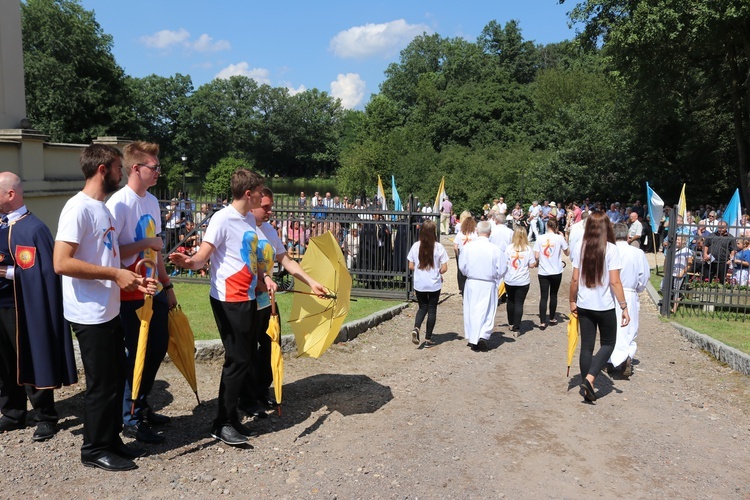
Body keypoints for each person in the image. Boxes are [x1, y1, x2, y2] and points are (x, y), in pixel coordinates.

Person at [54, 144, 158, 471]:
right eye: (116, 167)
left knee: (113, 379)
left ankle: (111, 440)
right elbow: (61, 262)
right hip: (89, 314)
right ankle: (94, 449)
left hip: (108, 310)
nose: (121, 171)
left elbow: (109, 257)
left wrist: (134, 280)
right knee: (100, 385)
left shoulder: (103, 209)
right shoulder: (78, 209)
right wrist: (114, 274)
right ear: (103, 170)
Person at [169, 168, 269, 446]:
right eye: (260, 192)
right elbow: (202, 258)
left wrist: (263, 279)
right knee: (237, 360)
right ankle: (222, 423)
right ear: (248, 194)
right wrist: (188, 262)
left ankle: (232, 416)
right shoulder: (222, 219)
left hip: (248, 296)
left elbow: (249, 256)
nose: (263, 198)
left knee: (246, 357)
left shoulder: (249, 218)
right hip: (228, 299)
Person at [106, 141, 178, 444]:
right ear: (135, 168)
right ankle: (130, 419)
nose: (158, 171)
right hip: (129, 295)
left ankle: (142, 404)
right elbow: (111, 251)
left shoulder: (150, 201)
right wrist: (146, 244)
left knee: (156, 350)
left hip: (153, 290)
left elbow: (156, 249)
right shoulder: (118, 204)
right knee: (137, 355)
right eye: (154, 167)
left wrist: (167, 284)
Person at [0, 172, 77, 442]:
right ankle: (12, 412)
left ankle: (45, 415)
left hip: (25, 308)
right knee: (5, 362)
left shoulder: (34, 229)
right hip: (1, 306)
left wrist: (7, 272)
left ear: (10, 194)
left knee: (32, 356)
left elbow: (43, 273)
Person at [243, 188, 326, 415]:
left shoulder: (268, 230)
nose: (271, 211)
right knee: (247, 350)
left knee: (272, 345)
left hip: (267, 301)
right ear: (253, 203)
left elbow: (287, 261)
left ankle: (261, 390)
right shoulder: (243, 227)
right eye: (266, 207)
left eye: (271, 206)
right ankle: (246, 398)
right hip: (247, 299)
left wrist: (311, 282)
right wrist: (261, 280)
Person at [569, 211, 630, 403]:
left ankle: (588, 385)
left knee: (586, 347)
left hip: (584, 304)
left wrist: (572, 300)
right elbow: (615, 282)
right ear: (607, 227)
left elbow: (574, 279)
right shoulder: (611, 249)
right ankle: (590, 379)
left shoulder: (580, 246)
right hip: (604, 305)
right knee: (608, 344)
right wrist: (624, 306)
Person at [608, 223, 650, 376]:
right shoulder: (637, 253)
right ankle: (626, 356)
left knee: (611, 326)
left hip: (610, 292)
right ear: (627, 236)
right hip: (629, 293)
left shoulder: (608, 251)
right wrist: (638, 288)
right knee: (629, 328)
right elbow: (644, 275)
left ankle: (610, 359)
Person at [459, 221, 506, 351]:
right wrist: (495, 276)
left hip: (472, 282)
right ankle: (483, 335)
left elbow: (462, 266)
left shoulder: (468, 247)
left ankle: (474, 336)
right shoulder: (495, 249)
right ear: (490, 233)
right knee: (487, 310)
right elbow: (502, 269)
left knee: (472, 309)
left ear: (477, 231)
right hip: (488, 282)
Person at [407, 219, 449, 346]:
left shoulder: (415, 246)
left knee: (422, 307)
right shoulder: (438, 247)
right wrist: (437, 272)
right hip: (434, 283)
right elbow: (445, 268)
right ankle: (428, 338)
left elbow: (410, 266)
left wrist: (420, 271)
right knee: (432, 309)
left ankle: (416, 327)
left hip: (420, 283)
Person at [533, 219, 569, 329]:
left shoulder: (540, 238)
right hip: (556, 270)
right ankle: (552, 317)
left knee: (543, 296)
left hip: (544, 270)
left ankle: (542, 321)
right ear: (556, 226)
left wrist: (539, 261)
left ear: (547, 226)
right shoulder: (559, 238)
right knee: (553, 294)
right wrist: (565, 238)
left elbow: (536, 255)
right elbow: (567, 252)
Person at [504, 227, 537, 335]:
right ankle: (517, 328)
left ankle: (511, 323)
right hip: (523, 280)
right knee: (519, 303)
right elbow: (532, 264)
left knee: (511, 301)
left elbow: (504, 262)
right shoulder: (528, 249)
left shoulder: (509, 248)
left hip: (510, 279)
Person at [454, 211, 477, 295]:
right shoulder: (475, 233)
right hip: (473, 253)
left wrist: (457, 255)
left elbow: (455, 247)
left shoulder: (460, 233)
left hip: (462, 253)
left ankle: (462, 288)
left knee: (461, 271)